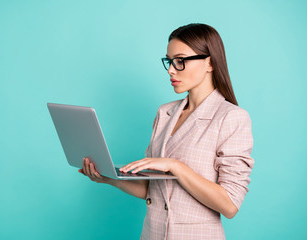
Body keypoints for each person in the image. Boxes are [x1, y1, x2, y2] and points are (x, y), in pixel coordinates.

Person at [78, 23, 254, 240]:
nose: (171, 69)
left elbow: (230, 205)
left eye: (180, 61)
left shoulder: (231, 117)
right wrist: (108, 178)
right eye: (169, 61)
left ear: (209, 62)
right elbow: (152, 191)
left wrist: (175, 166)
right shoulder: (165, 112)